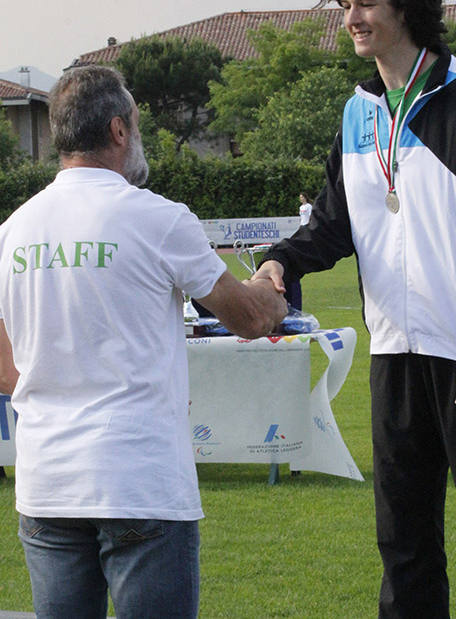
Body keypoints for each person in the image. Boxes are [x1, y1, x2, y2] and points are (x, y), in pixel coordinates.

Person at [253, 0, 456, 619]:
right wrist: (281, 259)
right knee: (403, 545)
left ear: (406, 6)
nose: (351, 18)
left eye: (364, 3)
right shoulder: (358, 111)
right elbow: (335, 222)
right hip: (395, 355)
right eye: (344, 6)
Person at [0, 65, 287, 619]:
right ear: (118, 130)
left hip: (48, 483)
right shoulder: (157, 218)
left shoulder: (13, 230)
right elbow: (250, 319)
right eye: (136, 123)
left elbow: (6, 371)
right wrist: (271, 282)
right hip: (138, 478)